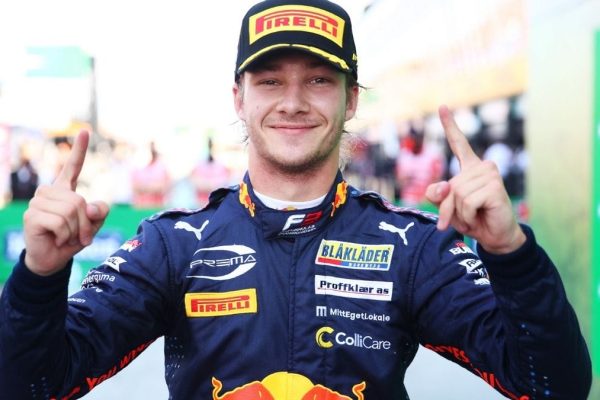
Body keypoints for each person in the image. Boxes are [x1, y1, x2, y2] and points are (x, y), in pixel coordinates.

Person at [0, 1, 591, 399]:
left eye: (318, 79)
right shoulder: (172, 243)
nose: (292, 101)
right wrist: (38, 277)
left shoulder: (413, 247)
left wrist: (511, 253)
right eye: (270, 80)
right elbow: (28, 384)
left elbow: (554, 386)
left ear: (351, 99)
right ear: (239, 98)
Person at [131, 141, 171, 208]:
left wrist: (144, 188)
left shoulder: (161, 166)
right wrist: (153, 187)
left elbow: (163, 188)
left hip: (157, 207)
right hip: (140, 207)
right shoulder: (136, 167)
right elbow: (135, 188)